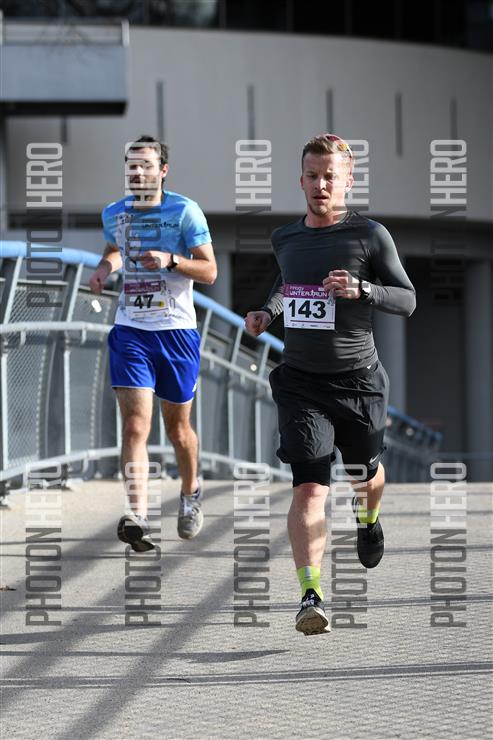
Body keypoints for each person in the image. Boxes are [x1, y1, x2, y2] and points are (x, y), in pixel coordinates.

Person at [245, 134, 416, 635]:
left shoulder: (370, 235)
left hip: (358, 381)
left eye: (330, 177)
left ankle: (368, 519)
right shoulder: (285, 237)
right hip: (301, 382)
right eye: (312, 176)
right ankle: (310, 595)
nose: (321, 185)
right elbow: (288, 284)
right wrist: (268, 313)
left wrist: (362, 289)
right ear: (300, 180)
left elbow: (407, 300)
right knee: (308, 488)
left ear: (348, 182)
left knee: (364, 475)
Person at [89, 135, 217, 552]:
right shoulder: (114, 213)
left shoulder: (184, 212)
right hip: (131, 330)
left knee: (178, 430)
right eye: (131, 165)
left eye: (145, 165)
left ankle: (190, 492)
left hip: (176, 331)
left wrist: (171, 260)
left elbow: (210, 271)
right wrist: (104, 268)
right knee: (134, 425)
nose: (137, 172)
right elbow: (115, 248)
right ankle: (138, 515)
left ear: (163, 171)